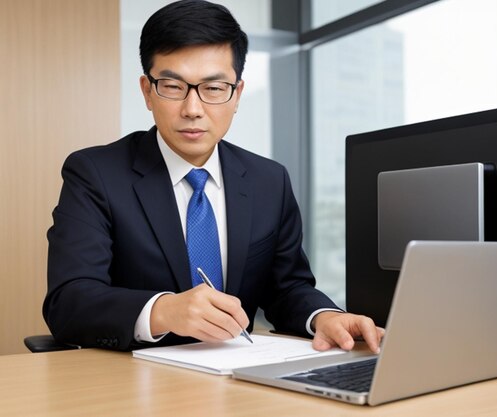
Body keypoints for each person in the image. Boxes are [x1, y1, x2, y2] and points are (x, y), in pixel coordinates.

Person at [43, 0, 383, 353]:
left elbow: (288, 289)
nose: (193, 109)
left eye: (214, 89)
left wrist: (323, 316)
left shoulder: (269, 180)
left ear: (236, 94)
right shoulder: (95, 174)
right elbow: (69, 301)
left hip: (237, 379)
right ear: (147, 91)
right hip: (135, 381)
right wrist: (162, 310)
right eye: (173, 87)